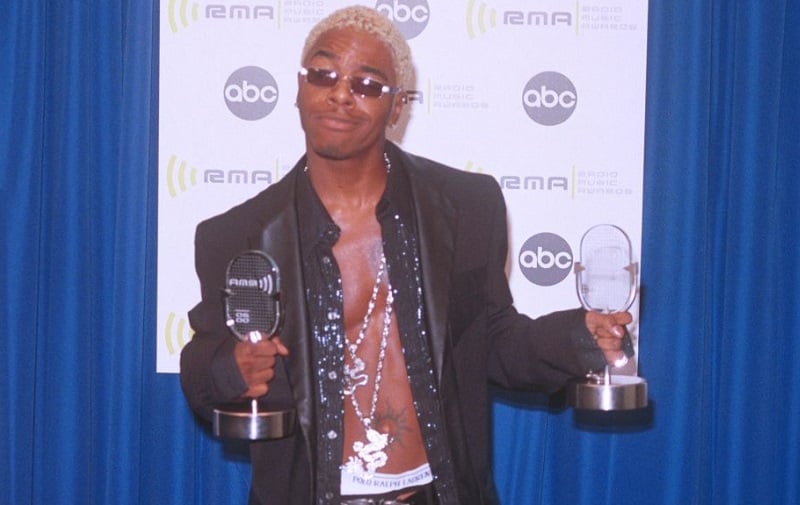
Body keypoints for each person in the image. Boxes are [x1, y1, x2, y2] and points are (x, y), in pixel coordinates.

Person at [180, 6, 631, 505]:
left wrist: (575, 338)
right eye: (323, 74)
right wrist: (232, 369)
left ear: (397, 107)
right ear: (299, 88)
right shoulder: (238, 235)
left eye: (368, 84)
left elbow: (495, 341)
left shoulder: (466, 208)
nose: (341, 94)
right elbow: (203, 365)